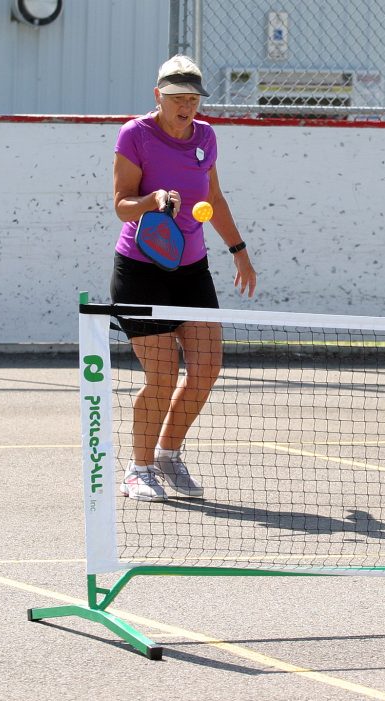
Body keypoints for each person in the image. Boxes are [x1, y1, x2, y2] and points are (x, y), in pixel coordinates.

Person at [111, 55, 257, 500]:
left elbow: (213, 195)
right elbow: (121, 204)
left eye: (192, 98)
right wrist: (152, 200)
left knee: (207, 368)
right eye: (177, 98)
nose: (186, 106)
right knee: (161, 376)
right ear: (159, 96)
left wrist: (239, 252)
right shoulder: (135, 135)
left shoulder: (206, 137)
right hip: (141, 271)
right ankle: (138, 469)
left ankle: (168, 457)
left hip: (191, 270)